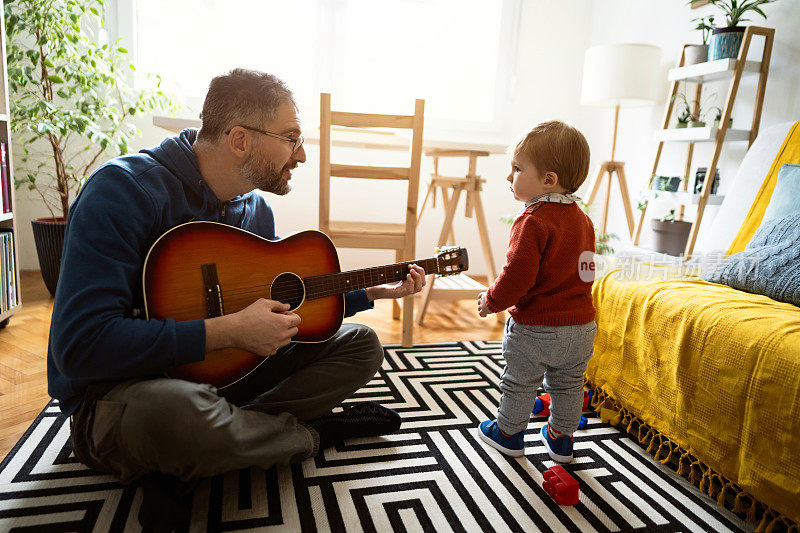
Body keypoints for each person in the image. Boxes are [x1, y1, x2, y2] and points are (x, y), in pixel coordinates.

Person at [47, 69, 426, 520]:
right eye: (291, 138)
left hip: (225, 385)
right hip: (121, 397)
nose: (302, 155)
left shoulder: (256, 210)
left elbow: (275, 313)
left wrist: (371, 293)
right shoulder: (123, 192)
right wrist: (225, 331)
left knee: (361, 345)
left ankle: (212, 446)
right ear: (240, 140)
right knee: (181, 413)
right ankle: (310, 434)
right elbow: (79, 348)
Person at [476, 120, 596, 462]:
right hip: (582, 326)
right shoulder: (583, 220)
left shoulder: (532, 220)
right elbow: (587, 270)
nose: (509, 177)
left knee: (519, 381)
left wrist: (492, 300)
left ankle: (509, 434)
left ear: (548, 180)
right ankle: (561, 438)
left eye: (516, 169)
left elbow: (517, 275)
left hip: (537, 328)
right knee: (569, 384)